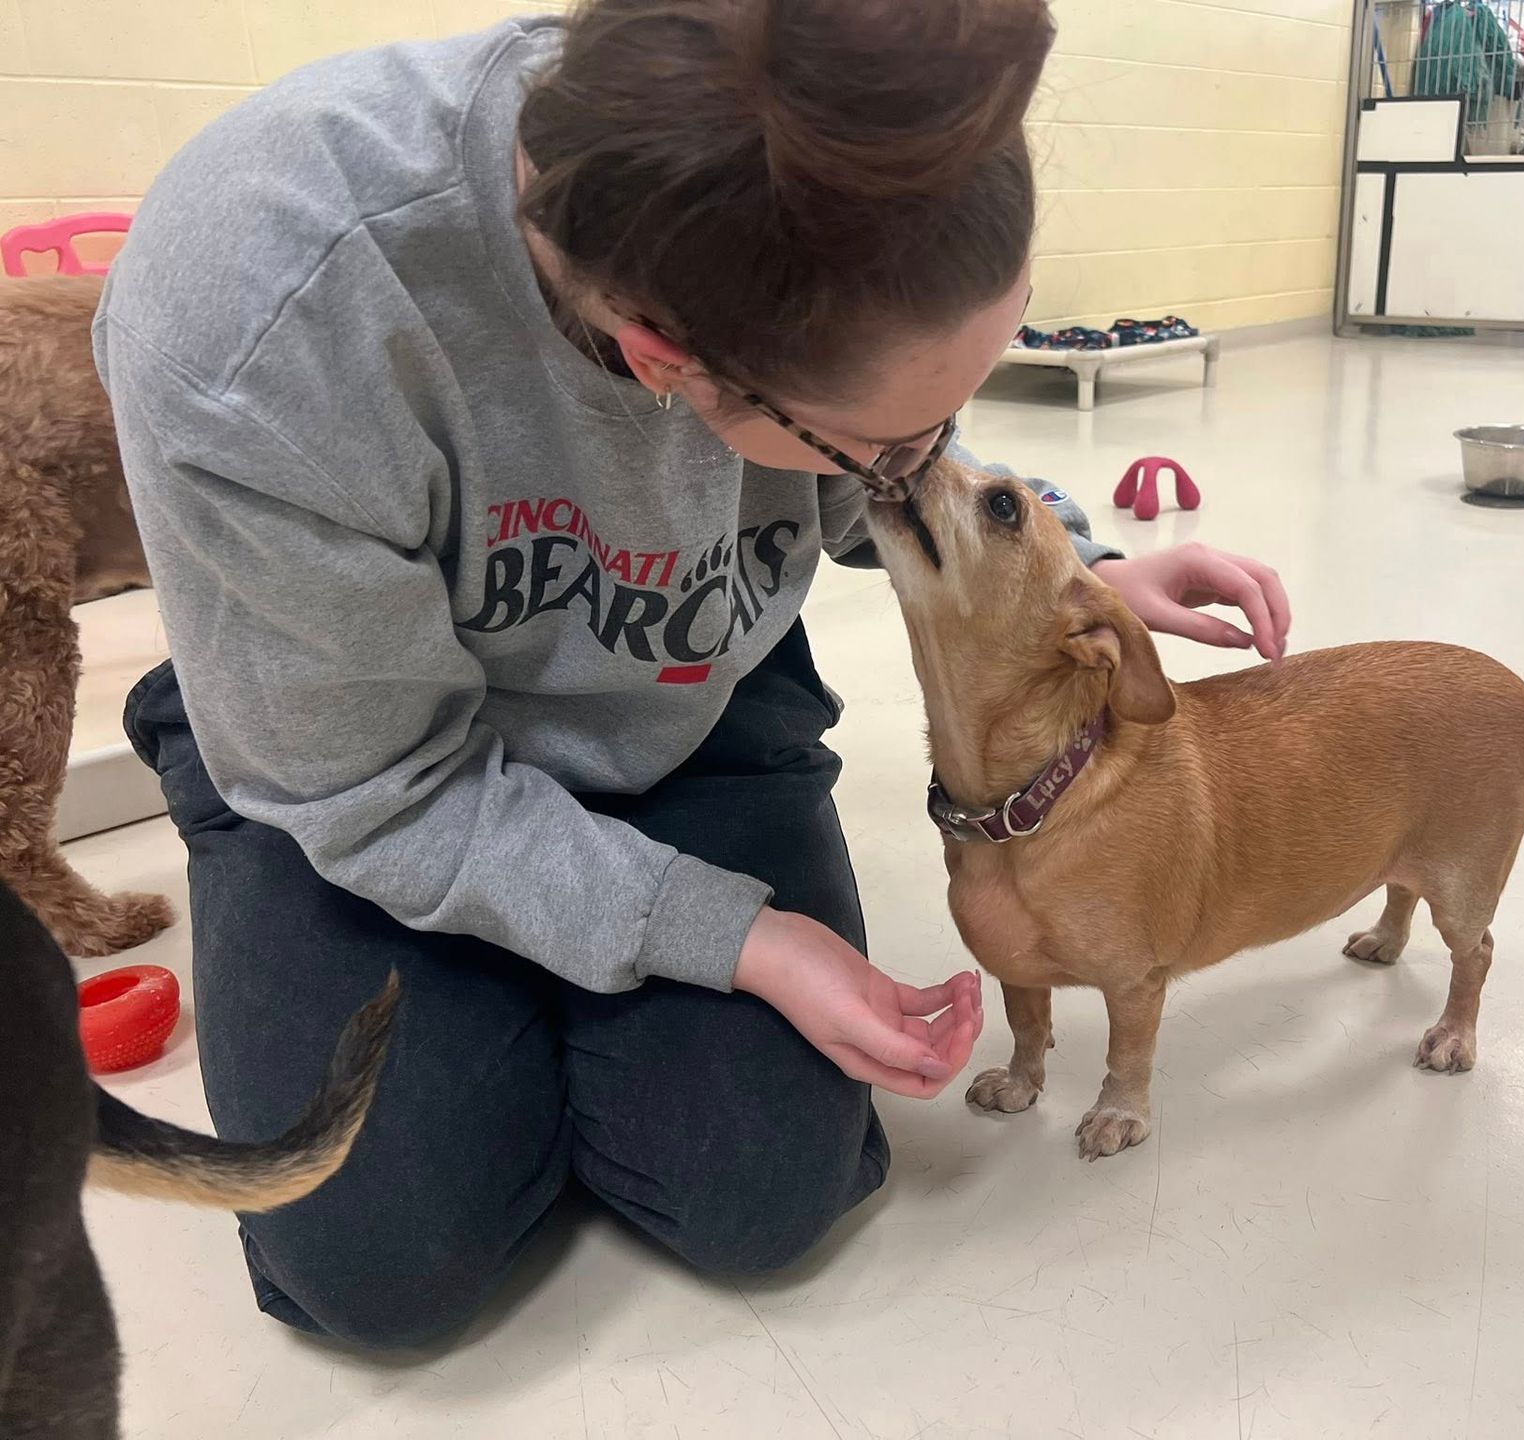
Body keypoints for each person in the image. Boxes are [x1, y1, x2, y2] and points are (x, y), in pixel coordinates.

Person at [96, 0, 1291, 1351]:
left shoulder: (811, 191)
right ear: (665, 361)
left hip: (685, 679)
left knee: (766, 1194)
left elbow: (871, 482)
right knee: (382, 1268)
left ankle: (545, 984)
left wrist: (1068, 585)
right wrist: (736, 935)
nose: (917, 463)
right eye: (895, 445)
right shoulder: (262, 312)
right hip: (367, 757)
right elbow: (371, 785)